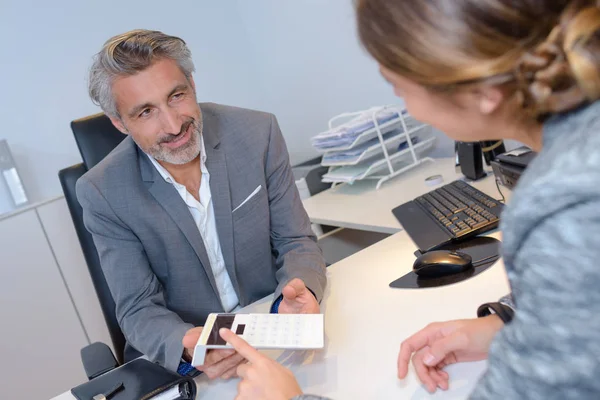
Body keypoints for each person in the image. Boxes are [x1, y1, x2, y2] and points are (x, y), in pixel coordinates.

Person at [202, 0, 600, 398]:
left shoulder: (563, 210)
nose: (406, 107)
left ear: (480, 89)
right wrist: (509, 322)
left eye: (398, 86)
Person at [76, 29, 327, 379]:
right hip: (188, 365)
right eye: (146, 112)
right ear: (120, 123)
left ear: (192, 85)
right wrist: (186, 343)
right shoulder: (102, 191)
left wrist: (301, 290)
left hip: (271, 329)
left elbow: (295, 241)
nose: (174, 124)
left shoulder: (257, 133)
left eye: (176, 96)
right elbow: (137, 307)